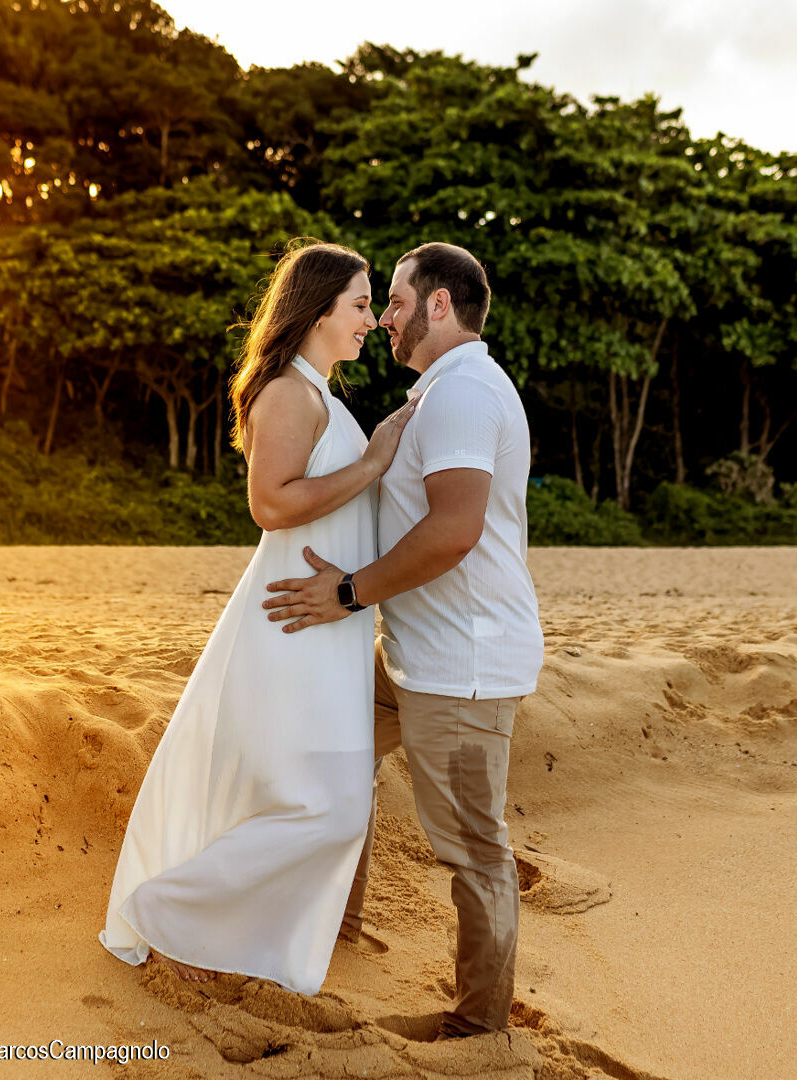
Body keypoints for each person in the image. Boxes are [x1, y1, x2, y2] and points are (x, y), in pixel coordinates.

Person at [98, 241, 415, 994]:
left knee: (308, 799)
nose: (370, 319)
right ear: (316, 311)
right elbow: (269, 503)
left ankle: (226, 933)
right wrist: (370, 464)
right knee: (329, 811)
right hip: (292, 622)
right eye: (360, 304)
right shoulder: (287, 394)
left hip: (326, 623)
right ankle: (166, 910)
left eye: (372, 304)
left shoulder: (319, 394)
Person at [261, 242, 543, 1037]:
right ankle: (334, 926)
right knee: (335, 753)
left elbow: (453, 532)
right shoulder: (442, 390)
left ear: (440, 305)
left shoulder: (461, 395)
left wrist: (348, 593)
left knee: (472, 851)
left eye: (393, 300)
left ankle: (478, 1027)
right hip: (415, 658)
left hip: (463, 669)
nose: (383, 317)